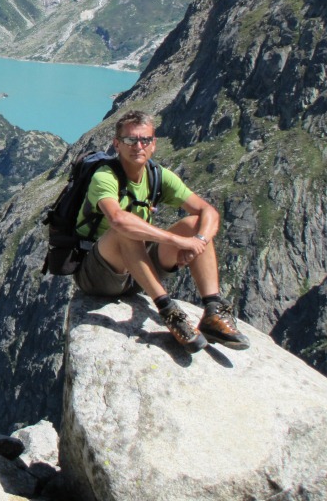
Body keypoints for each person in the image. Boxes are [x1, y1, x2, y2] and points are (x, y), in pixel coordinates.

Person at [73, 110, 249, 352]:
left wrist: (198, 241)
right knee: (124, 228)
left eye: (145, 140)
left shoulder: (157, 176)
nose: (138, 146)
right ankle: (168, 311)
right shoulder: (105, 176)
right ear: (117, 145)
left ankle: (213, 310)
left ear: (153, 144)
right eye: (130, 140)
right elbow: (117, 219)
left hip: (137, 270)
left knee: (194, 224)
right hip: (99, 274)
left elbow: (208, 212)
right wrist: (177, 241)